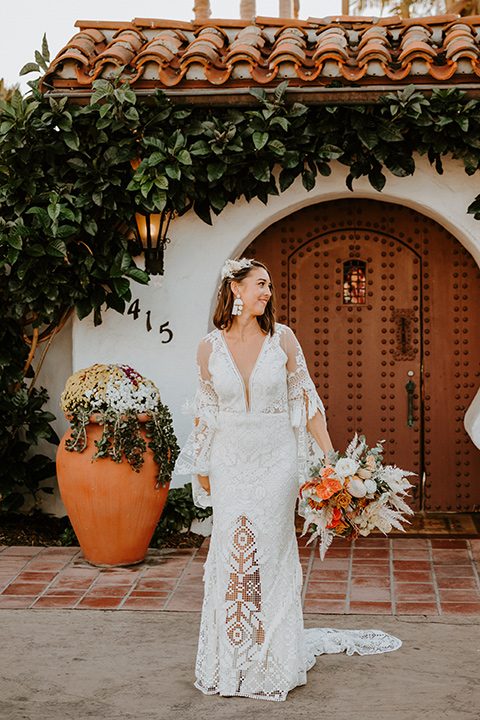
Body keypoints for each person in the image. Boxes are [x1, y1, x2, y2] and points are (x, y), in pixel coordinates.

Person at [175, 258, 401, 702]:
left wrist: (332, 459)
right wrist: (202, 471)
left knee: (271, 554)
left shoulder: (283, 339)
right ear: (235, 289)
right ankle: (232, 660)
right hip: (228, 463)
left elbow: (308, 401)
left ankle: (270, 658)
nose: (267, 292)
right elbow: (206, 415)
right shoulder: (208, 347)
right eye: (260, 284)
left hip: (275, 459)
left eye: (270, 286)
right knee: (231, 554)